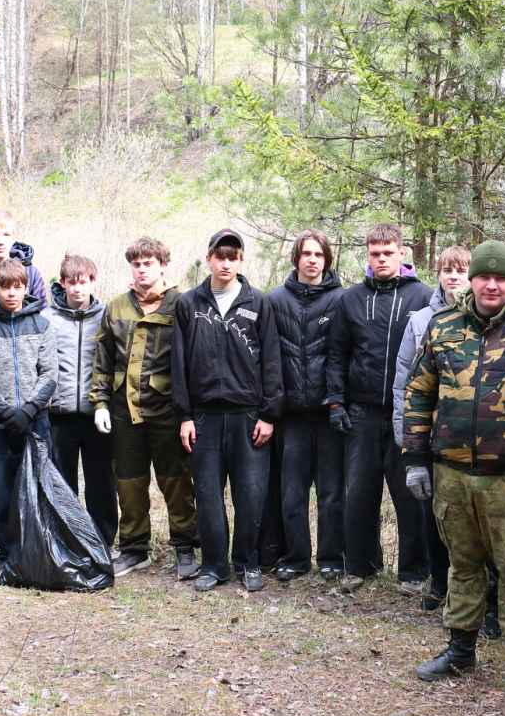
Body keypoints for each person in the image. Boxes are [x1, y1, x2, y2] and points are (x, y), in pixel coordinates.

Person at [405, 241, 505, 699]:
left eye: (501, 278)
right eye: (484, 276)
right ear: (471, 279)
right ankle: (460, 650)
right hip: (452, 473)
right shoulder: (442, 327)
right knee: (463, 564)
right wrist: (414, 459)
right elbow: (419, 393)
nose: (492, 285)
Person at [172, 229, 283, 592]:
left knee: (250, 494)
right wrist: (185, 416)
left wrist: (269, 414)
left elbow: (272, 361)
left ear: (241, 261)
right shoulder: (188, 304)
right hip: (203, 416)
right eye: (220, 256)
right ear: (209, 259)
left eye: (232, 257)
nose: (225, 263)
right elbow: (178, 364)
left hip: (248, 415)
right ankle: (213, 565)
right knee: (207, 494)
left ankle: (248, 562)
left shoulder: (258, 302)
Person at [325, 223, 433, 590]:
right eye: (375, 253)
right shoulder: (350, 299)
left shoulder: (422, 297)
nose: (382, 259)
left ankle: (414, 572)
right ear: (367, 255)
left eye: (388, 253)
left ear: (402, 253)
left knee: (410, 495)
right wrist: (336, 401)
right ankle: (360, 566)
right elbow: (337, 353)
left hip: (408, 413)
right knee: (358, 494)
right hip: (362, 413)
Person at [90, 237, 199, 578]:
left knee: (176, 481)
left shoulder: (181, 304)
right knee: (129, 483)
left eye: (148, 263)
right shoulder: (117, 307)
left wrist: (189, 412)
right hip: (125, 411)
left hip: (168, 411)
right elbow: (103, 360)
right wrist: (100, 402)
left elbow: (193, 360)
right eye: (136, 264)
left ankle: (185, 547)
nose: (141, 270)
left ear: (163, 265)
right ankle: (134, 549)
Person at [392, 245, 471, 609]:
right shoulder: (421, 320)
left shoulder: (483, 317)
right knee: (432, 513)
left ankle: (469, 588)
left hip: (470, 436)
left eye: (461, 270)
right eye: (447, 270)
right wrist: (406, 434)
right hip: (430, 434)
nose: (453, 277)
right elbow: (404, 381)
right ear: (438, 275)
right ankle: (438, 582)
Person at [266, 230, 347, 582]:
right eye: (306, 254)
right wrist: (271, 407)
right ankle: (296, 557)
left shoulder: (342, 300)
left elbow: (343, 354)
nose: (312, 260)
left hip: (329, 413)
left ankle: (331, 558)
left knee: (331, 492)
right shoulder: (274, 300)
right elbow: (268, 358)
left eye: (318, 254)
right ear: (296, 258)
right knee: (292, 493)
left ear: (326, 260)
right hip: (291, 415)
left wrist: (338, 400)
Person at [0, 259, 56, 573]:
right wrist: (7, 413)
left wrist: (29, 410)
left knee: (38, 491)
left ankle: (41, 552)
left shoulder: (42, 325)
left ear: (26, 287)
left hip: (36, 423)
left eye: (17, 287)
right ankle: (9, 557)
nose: (11, 293)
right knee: (0, 496)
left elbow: (49, 374)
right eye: (5, 287)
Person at [47, 254, 118, 548]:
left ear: (93, 281)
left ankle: (102, 540)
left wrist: (107, 403)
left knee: (101, 480)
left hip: (96, 413)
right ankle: (67, 539)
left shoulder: (106, 316)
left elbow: (113, 361)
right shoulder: (48, 318)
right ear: (63, 283)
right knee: (63, 482)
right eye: (72, 282)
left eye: (83, 282)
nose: (78, 289)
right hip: (59, 414)